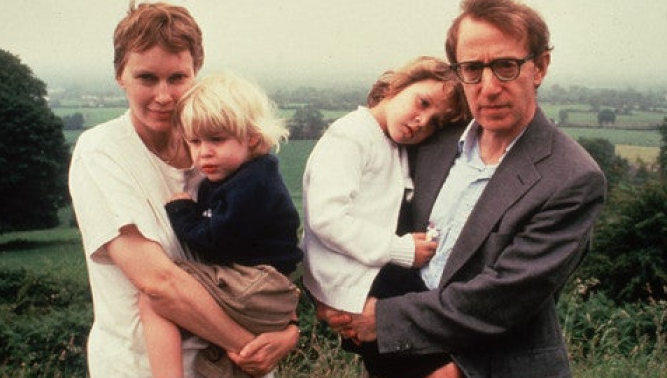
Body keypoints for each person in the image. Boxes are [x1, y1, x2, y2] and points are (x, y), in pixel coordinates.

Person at [317, 0, 607, 377]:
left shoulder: (572, 177)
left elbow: (506, 297)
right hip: (399, 361)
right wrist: (333, 299)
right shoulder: (431, 143)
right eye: (472, 69)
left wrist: (381, 320)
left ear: (541, 67)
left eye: (506, 66)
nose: (488, 88)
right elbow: (361, 218)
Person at [68, 3, 299, 377]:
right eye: (146, 78)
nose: (163, 96)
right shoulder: (101, 152)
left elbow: (265, 252)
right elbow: (159, 284)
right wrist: (251, 346)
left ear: (196, 75)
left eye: (177, 78)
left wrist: (289, 331)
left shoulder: (217, 150)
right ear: (120, 77)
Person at [301, 56, 469, 375]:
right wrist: (402, 249)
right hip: (359, 282)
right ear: (397, 85)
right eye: (422, 102)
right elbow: (327, 219)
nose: (422, 121)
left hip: (371, 274)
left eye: (435, 122)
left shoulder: (391, 144)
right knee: (443, 358)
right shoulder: (350, 136)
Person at [138, 72, 303, 378]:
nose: (204, 152)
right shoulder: (245, 174)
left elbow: (216, 242)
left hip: (258, 285)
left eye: (216, 139)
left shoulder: (252, 184)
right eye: (195, 141)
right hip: (268, 290)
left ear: (252, 138)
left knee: (157, 295)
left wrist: (182, 211)